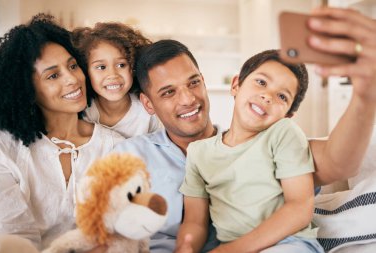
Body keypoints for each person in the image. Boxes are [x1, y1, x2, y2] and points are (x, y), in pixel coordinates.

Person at [113, 6, 376, 253]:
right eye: (168, 92)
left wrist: (364, 97)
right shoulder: (131, 156)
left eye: (193, 83)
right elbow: (193, 224)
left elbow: (337, 163)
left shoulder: (279, 136)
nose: (188, 99)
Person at [0, 14, 123, 252]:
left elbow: (118, 233)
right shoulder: (3, 147)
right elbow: (13, 239)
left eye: (73, 66)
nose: (73, 79)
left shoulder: (114, 146)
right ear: (27, 89)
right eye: (53, 75)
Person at [177, 49, 324, 253]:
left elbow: (299, 208)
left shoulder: (283, 133)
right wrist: (186, 247)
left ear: (288, 114)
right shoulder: (199, 152)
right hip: (227, 245)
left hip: (288, 243)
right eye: (262, 82)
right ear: (236, 85)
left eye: (282, 96)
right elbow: (195, 222)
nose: (267, 96)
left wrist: (231, 251)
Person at [72, 22, 162, 138]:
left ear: (133, 67)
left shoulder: (148, 112)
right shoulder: (84, 113)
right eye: (101, 67)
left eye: (121, 65)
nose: (112, 75)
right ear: (86, 71)